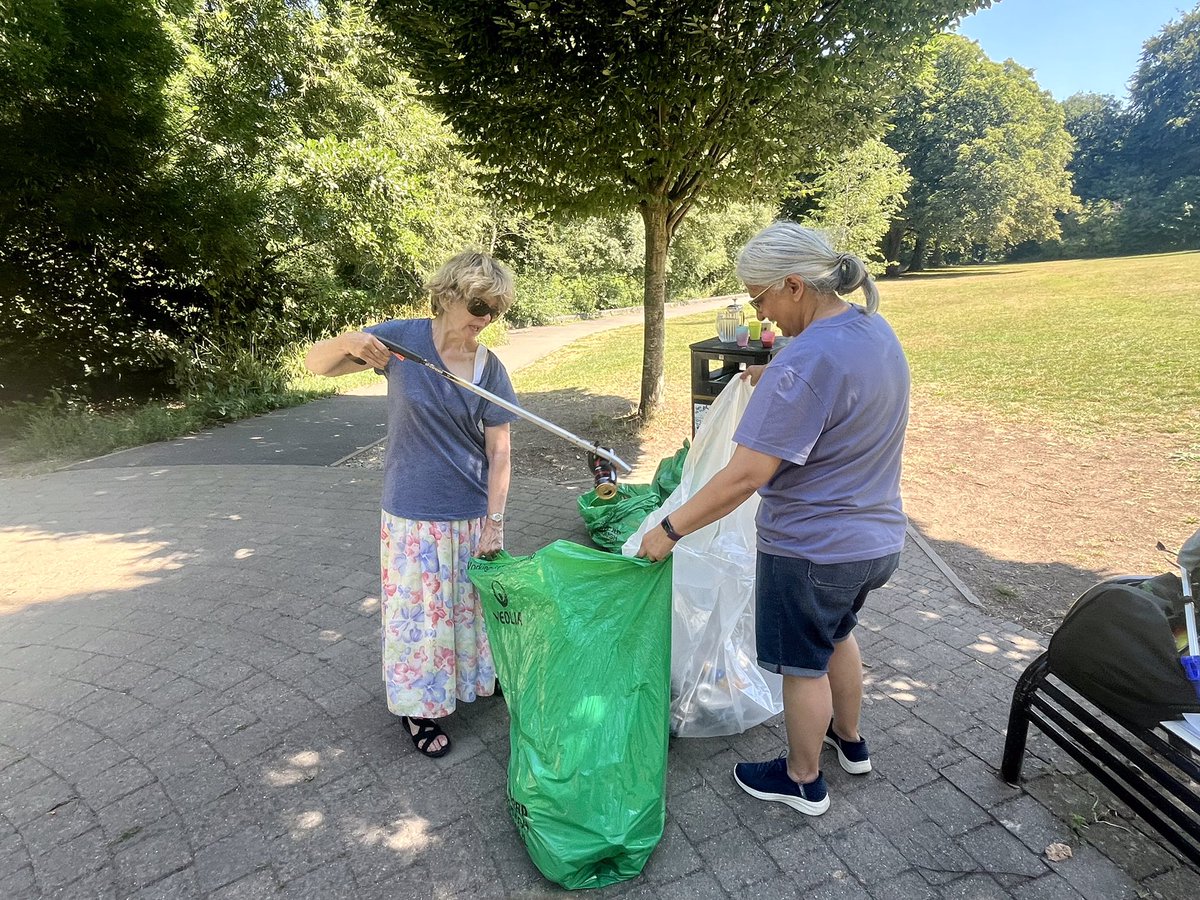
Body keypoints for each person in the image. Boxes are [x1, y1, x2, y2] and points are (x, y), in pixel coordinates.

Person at [637, 221, 910, 815]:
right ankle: (851, 742)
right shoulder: (870, 330)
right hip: (876, 542)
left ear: (794, 284)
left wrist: (668, 530)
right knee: (837, 635)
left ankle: (803, 779)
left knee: (801, 665)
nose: (761, 314)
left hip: (812, 550)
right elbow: (831, 395)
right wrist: (774, 373)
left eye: (760, 298)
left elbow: (744, 476)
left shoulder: (805, 361)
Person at [305, 250, 519, 758]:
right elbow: (318, 365)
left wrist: (495, 523)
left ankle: (473, 683)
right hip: (411, 513)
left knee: (468, 610)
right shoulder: (402, 342)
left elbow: (500, 449)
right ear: (448, 295)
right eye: (479, 304)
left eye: (496, 310)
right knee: (420, 617)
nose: (485, 319)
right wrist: (350, 342)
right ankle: (418, 708)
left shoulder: (489, 369)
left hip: (469, 513)